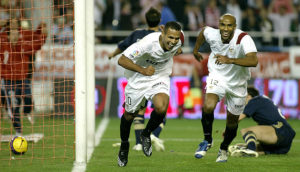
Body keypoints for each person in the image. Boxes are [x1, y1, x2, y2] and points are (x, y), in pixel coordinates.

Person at [193, 13, 258, 162]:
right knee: (208, 106)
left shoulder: (243, 38)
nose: (225, 29)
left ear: (235, 27)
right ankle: (207, 140)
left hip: (238, 84)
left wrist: (230, 60)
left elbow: (254, 60)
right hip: (218, 76)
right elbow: (203, 31)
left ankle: (223, 149)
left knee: (232, 123)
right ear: (219, 25)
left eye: (229, 25)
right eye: (223, 25)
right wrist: (196, 50)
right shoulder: (212, 33)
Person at [117, 21, 184, 167]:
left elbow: (178, 48)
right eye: (170, 37)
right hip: (139, 78)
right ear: (162, 31)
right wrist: (143, 70)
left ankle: (146, 133)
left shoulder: (179, 41)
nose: (173, 42)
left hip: (159, 77)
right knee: (129, 115)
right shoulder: (147, 44)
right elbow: (121, 60)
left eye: (176, 38)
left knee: (161, 108)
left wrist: (178, 49)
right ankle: (124, 146)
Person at [109, 7, 167, 152]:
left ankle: (139, 143)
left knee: (138, 112)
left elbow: (122, 46)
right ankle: (153, 134)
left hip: (138, 78)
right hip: (156, 78)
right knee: (160, 110)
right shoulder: (162, 36)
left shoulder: (137, 34)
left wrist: (112, 54)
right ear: (159, 20)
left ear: (145, 20)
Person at [0, 19, 47, 135]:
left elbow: (37, 45)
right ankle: (18, 132)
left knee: (28, 100)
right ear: (8, 36)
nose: (16, 35)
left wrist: (44, 33)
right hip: (7, 81)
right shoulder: (3, 46)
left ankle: (27, 112)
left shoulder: (23, 46)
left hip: (22, 79)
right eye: (13, 34)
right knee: (13, 107)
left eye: (17, 33)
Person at [229, 86, 296, 157]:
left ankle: (250, 150)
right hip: (285, 137)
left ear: (248, 96)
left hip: (280, 130)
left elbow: (239, 118)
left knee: (246, 131)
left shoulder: (254, 100)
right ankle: (246, 149)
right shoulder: (262, 101)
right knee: (261, 148)